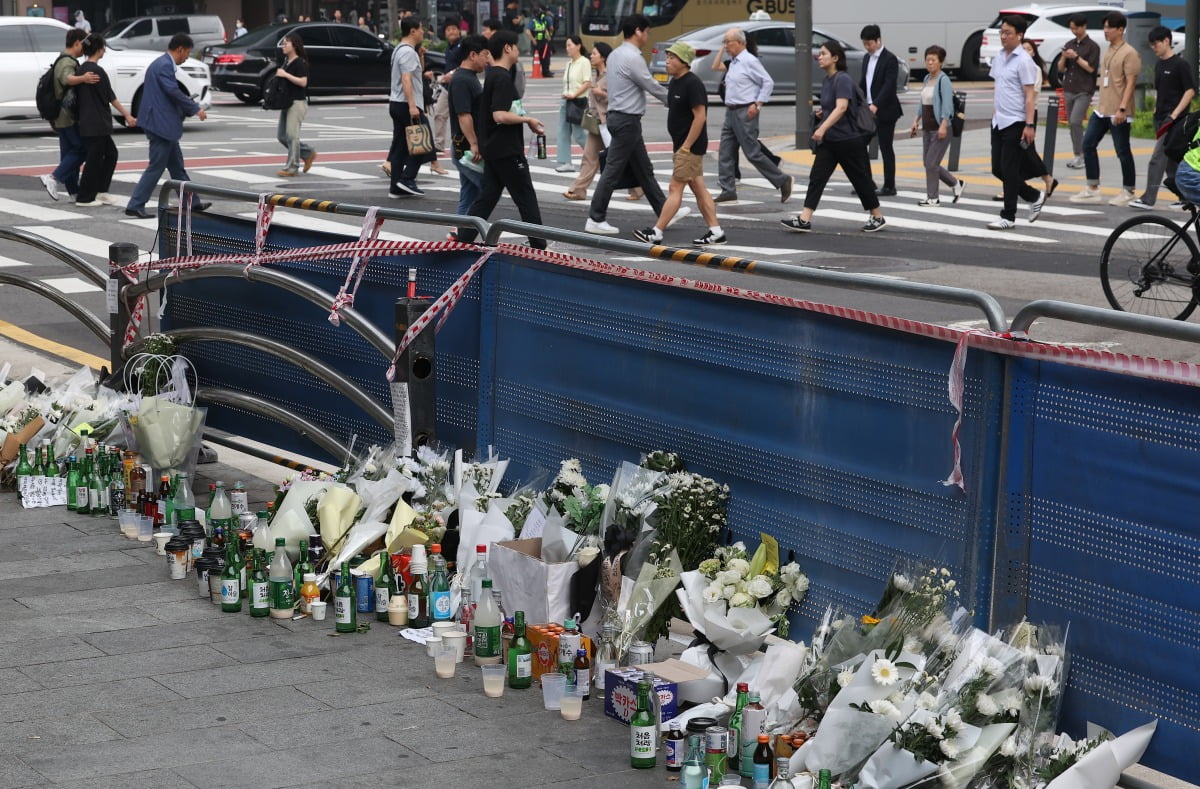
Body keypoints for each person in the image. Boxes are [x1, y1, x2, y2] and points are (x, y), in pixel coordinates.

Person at [585, 14, 685, 235]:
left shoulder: (615, 55)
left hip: (619, 117)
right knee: (612, 171)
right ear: (638, 31)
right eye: (646, 31)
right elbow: (650, 84)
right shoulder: (632, 58)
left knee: (644, 170)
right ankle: (595, 217)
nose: (647, 36)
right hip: (627, 120)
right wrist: (675, 100)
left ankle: (664, 210)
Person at [453, 31, 548, 249]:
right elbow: (499, 115)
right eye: (515, 46)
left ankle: (464, 239)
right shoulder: (502, 77)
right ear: (507, 48)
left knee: (487, 197)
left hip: (494, 149)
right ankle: (539, 244)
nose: (517, 50)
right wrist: (528, 120)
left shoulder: (493, 75)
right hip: (507, 150)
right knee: (526, 196)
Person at [780, 41, 884, 233]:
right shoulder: (827, 80)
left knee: (860, 179)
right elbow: (834, 107)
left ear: (835, 58)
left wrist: (822, 128)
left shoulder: (842, 79)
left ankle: (877, 216)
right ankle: (805, 219)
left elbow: (842, 107)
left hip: (848, 139)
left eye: (823, 54)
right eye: (819, 54)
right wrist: (822, 114)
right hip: (831, 142)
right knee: (817, 178)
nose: (819, 57)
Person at [632, 42, 724, 246]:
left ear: (684, 61)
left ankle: (656, 232)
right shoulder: (675, 82)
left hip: (689, 146)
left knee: (675, 188)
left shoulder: (693, 84)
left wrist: (686, 147)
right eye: (667, 57)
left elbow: (700, 117)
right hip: (682, 144)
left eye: (672, 58)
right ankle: (716, 231)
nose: (667, 61)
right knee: (698, 188)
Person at [125, 34, 210, 219]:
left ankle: (192, 203)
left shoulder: (161, 63)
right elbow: (172, 91)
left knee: (177, 168)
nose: (187, 57)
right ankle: (135, 204)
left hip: (161, 124)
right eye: (187, 53)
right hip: (160, 125)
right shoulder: (164, 66)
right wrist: (195, 108)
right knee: (156, 167)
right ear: (180, 49)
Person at [714, 28, 792, 204]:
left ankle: (782, 179)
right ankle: (728, 190)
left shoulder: (749, 61)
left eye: (729, 42)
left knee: (752, 153)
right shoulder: (734, 62)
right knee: (725, 151)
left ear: (741, 43)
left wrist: (758, 104)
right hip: (731, 111)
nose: (726, 46)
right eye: (724, 42)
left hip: (745, 112)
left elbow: (768, 82)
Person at [1070, 12, 1141, 206]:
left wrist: (1122, 109)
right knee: (1088, 144)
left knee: (1122, 150)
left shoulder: (1130, 53)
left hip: (1118, 110)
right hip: (1102, 109)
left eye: (1109, 27)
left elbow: (1130, 84)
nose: (1106, 31)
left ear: (1121, 29)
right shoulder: (1109, 49)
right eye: (1105, 27)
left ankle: (1128, 191)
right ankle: (1092, 188)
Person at [985, 15, 1045, 230]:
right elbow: (999, 88)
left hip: (1016, 121)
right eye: (1002, 32)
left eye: (1008, 33)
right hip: (999, 121)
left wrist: (1029, 125)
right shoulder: (999, 57)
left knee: (1009, 169)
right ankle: (1033, 195)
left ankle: (1008, 216)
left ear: (1019, 35)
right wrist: (994, 115)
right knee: (998, 169)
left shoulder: (1024, 61)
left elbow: (1029, 95)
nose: (1003, 36)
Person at [563, 42, 643, 202]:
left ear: (603, 57)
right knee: (589, 156)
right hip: (597, 124)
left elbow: (619, 97)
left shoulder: (612, 76)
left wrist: (602, 93)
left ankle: (638, 188)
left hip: (610, 124)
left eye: (594, 54)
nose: (591, 56)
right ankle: (578, 190)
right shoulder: (597, 76)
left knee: (621, 157)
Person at [1130, 26, 1195, 210]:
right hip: (1161, 118)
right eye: (1151, 44)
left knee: (1157, 159)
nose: (1153, 47)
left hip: (1175, 120)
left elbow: (1190, 91)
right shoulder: (1159, 65)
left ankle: (1148, 198)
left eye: (1156, 43)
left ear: (1166, 41)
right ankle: (1186, 198)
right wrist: (1156, 112)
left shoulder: (1180, 64)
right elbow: (1160, 91)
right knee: (1172, 162)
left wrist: (1174, 114)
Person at [37, 28, 100, 202]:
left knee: (68, 154)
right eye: (83, 44)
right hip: (68, 115)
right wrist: (84, 78)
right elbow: (67, 79)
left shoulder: (61, 59)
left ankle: (74, 192)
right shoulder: (67, 62)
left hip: (59, 116)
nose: (85, 48)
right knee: (81, 150)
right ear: (77, 43)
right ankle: (53, 177)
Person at [73, 35, 135, 208]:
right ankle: (85, 197)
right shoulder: (97, 71)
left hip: (86, 122)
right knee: (95, 159)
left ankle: (100, 191)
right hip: (97, 122)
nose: (105, 51)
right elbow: (110, 97)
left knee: (109, 154)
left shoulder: (81, 70)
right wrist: (127, 115)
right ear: (100, 50)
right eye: (104, 48)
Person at [908, 45, 964, 207]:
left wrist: (944, 125)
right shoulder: (927, 79)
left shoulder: (944, 80)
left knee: (931, 163)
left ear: (941, 62)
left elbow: (947, 106)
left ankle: (933, 198)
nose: (930, 63)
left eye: (933, 60)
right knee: (928, 163)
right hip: (927, 127)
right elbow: (922, 102)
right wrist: (916, 120)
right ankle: (955, 183)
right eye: (927, 60)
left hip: (940, 127)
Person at [386, 17, 431, 197]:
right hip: (406, 105)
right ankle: (407, 178)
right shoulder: (407, 52)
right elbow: (407, 79)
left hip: (396, 103)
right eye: (421, 29)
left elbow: (415, 72)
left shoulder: (400, 50)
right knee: (424, 143)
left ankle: (396, 188)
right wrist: (413, 106)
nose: (423, 32)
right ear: (412, 31)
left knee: (400, 147)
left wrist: (420, 55)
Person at [859, 24, 903, 196]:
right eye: (865, 44)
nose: (867, 47)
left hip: (885, 111)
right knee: (860, 145)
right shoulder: (866, 58)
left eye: (869, 43)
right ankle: (867, 182)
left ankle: (889, 186)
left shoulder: (890, 59)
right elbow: (864, 83)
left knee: (886, 147)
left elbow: (889, 85)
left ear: (878, 40)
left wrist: (876, 104)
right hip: (867, 109)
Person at [448, 35, 487, 215]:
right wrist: (473, 143)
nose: (487, 60)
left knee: (470, 194)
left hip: (464, 147)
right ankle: (465, 233)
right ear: (473, 55)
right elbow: (464, 115)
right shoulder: (462, 80)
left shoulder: (466, 77)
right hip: (465, 149)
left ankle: (459, 233)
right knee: (487, 189)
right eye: (485, 55)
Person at [1057, 14, 1100, 170]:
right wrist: (1063, 57)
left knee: (1076, 121)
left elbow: (1091, 68)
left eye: (1076, 28)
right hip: (1069, 86)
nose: (1074, 31)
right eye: (1071, 28)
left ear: (1084, 26)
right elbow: (1061, 69)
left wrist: (1075, 57)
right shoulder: (1070, 44)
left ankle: (1082, 155)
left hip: (1084, 88)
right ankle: (1077, 154)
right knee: (1072, 123)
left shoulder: (1092, 46)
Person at [274, 32, 317, 177]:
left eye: (286, 43)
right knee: (281, 136)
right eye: (283, 43)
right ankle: (308, 153)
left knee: (292, 136)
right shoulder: (286, 61)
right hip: (287, 102)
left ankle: (292, 167)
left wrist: (285, 75)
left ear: (294, 46)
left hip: (297, 102)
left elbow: (303, 82)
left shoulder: (300, 62)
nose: (283, 46)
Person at [554, 35, 591, 172]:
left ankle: (595, 157)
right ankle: (566, 162)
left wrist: (574, 95)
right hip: (566, 100)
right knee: (562, 131)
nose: (567, 48)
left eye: (570, 45)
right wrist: (566, 95)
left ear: (578, 46)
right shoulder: (569, 64)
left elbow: (587, 82)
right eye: (566, 45)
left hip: (578, 101)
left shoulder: (584, 62)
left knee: (579, 133)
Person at [431, 20, 464, 171]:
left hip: (459, 86)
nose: (451, 32)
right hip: (446, 87)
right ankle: (438, 144)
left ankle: (464, 143)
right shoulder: (449, 47)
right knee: (439, 114)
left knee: (461, 117)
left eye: (453, 29)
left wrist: (452, 74)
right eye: (448, 30)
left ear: (459, 31)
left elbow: (465, 64)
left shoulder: (462, 46)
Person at [529, 6, 554, 77]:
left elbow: (546, 29)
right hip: (538, 42)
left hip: (543, 41)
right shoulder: (534, 21)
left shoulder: (542, 20)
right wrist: (533, 40)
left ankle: (545, 71)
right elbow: (528, 31)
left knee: (545, 56)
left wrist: (548, 36)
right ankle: (539, 71)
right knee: (539, 57)